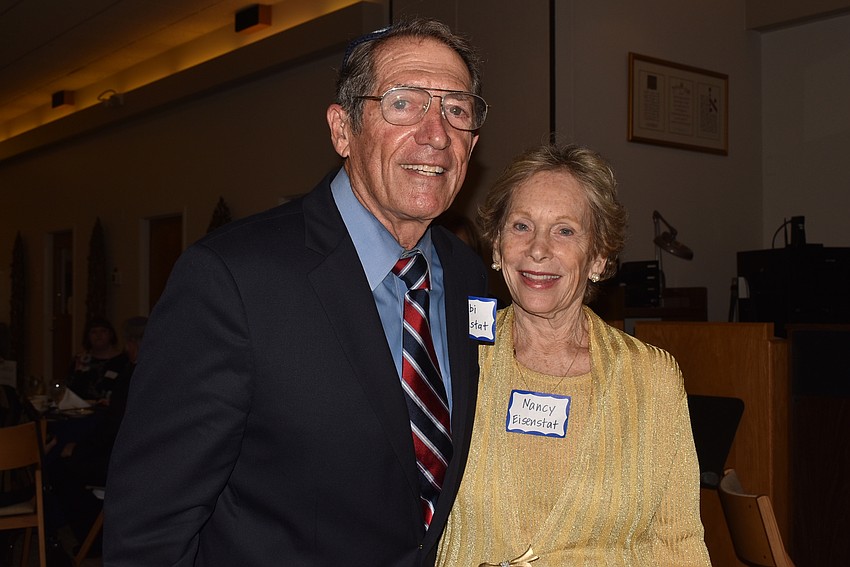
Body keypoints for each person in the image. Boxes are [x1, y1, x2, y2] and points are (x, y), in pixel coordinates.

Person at [105, 17, 488, 566]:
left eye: (457, 109)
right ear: (342, 129)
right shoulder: (232, 279)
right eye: (405, 103)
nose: (437, 133)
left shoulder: (467, 275)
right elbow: (149, 529)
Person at [436, 143, 711, 566]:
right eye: (521, 226)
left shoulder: (651, 378)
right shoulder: (450, 356)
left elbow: (679, 546)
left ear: (599, 257)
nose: (538, 250)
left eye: (564, 230)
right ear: (496, 248)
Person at [66, 317, 128, 403]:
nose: (98, 335)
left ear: (111, 334)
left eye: (103, 331)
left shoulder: (124, 361)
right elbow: (69, 389)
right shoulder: (80, 361)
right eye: (94, 332)